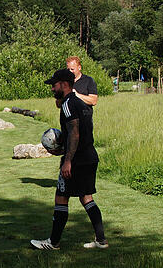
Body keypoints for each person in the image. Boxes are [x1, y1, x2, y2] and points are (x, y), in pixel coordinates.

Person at [31, 69, 107, 250]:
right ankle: (101, 240)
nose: (51, 89)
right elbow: (82, 134)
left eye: (53, 85)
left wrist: (68, 160)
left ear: (64, 84)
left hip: (77, 160)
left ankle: (53, 243)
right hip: (89, 157)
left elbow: (75, 132)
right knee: (86, 197)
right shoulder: (80, 103)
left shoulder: (67, 104)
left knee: (61, 198)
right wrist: (63, 149)